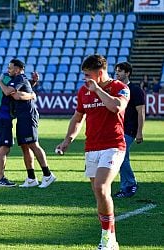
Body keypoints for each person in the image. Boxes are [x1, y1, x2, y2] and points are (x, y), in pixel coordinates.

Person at [55, 54, 129, 250]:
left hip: (114, 146)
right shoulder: (83, 91)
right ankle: (111, 237)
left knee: (102, 187)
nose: (85, 79)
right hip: (91, 148)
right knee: (99, 195)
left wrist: (97, 90)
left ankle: (106, 237)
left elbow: (116, 107)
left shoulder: (120, 88)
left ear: (100, 73)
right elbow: (78, 118)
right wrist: (67, 140)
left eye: (88, 75)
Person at [0, 59, 56, 188]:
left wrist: (0, 82)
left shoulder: (19, 78)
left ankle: (47, 175)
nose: (8, 70)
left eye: (11, 68)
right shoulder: (20, 79)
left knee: (33, 144)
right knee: (24, 146)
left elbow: (9, 92)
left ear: (18, 69)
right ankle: (31, 178)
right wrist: (31, 88)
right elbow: (20, 91)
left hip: (28, 116)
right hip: (21, 116)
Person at [0, 67, 37, 187]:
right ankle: (0, 178)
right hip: (3, 118)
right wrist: (32, 95)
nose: (9, 70)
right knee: (4, 148)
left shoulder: (7, 80)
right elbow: (13, 93)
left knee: (0, 149)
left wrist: (32, 83)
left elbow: (8, 90)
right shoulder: (7, 79)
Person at [113, 62, 145, 198]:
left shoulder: (136, 90)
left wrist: (139, 132)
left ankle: (130, 184)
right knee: (120, 157)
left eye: (120, 71)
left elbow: (141, 112)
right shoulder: (114, 89)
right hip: (117, 129)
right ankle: (126, 186)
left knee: (121, 157)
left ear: (127, 73)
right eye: (116, 71)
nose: (117, 74)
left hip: (129, 130)